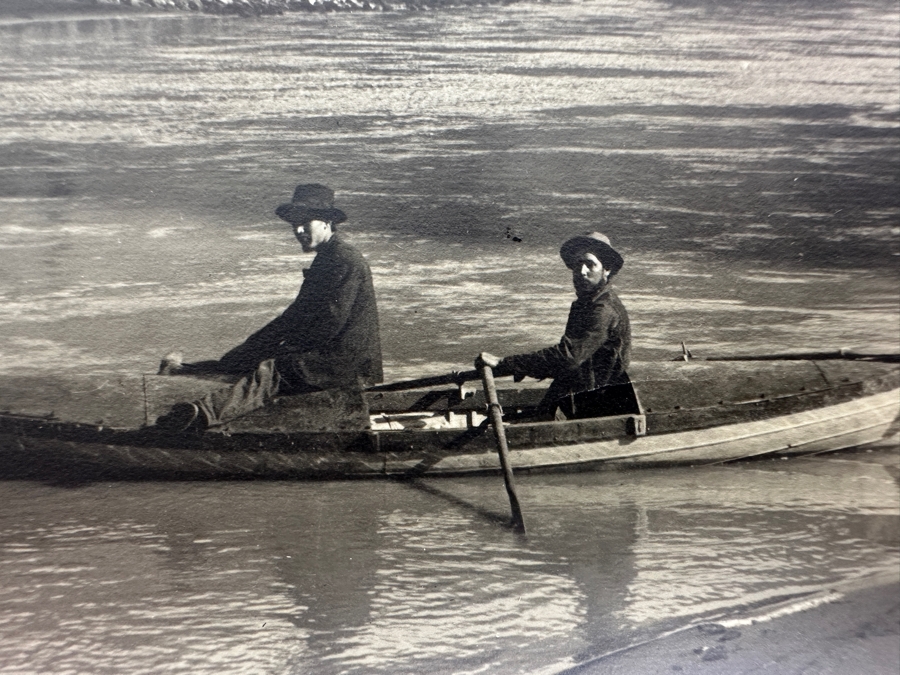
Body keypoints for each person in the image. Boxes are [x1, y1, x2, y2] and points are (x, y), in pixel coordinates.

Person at [156, 183, 383, 431]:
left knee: (272, 370)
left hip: (342, 363)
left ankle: (202, 413)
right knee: (248, 356)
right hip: (328, 356)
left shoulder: (344, 259)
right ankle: (181, 371)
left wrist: (283, 350)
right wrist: (254, 345)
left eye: (305, 223)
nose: (297, 230)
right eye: (294, 225)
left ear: (327, 222)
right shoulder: (328, 257)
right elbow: (294, 316)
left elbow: (331, 323)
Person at [476, 232, 632, 420]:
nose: (581, 271)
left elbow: (568, 357)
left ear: (606, 269)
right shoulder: (587, 303)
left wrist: (506, 363)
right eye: (577, 265)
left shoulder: (603, 309)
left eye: (590, 264)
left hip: (597, 405)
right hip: (577, 394)